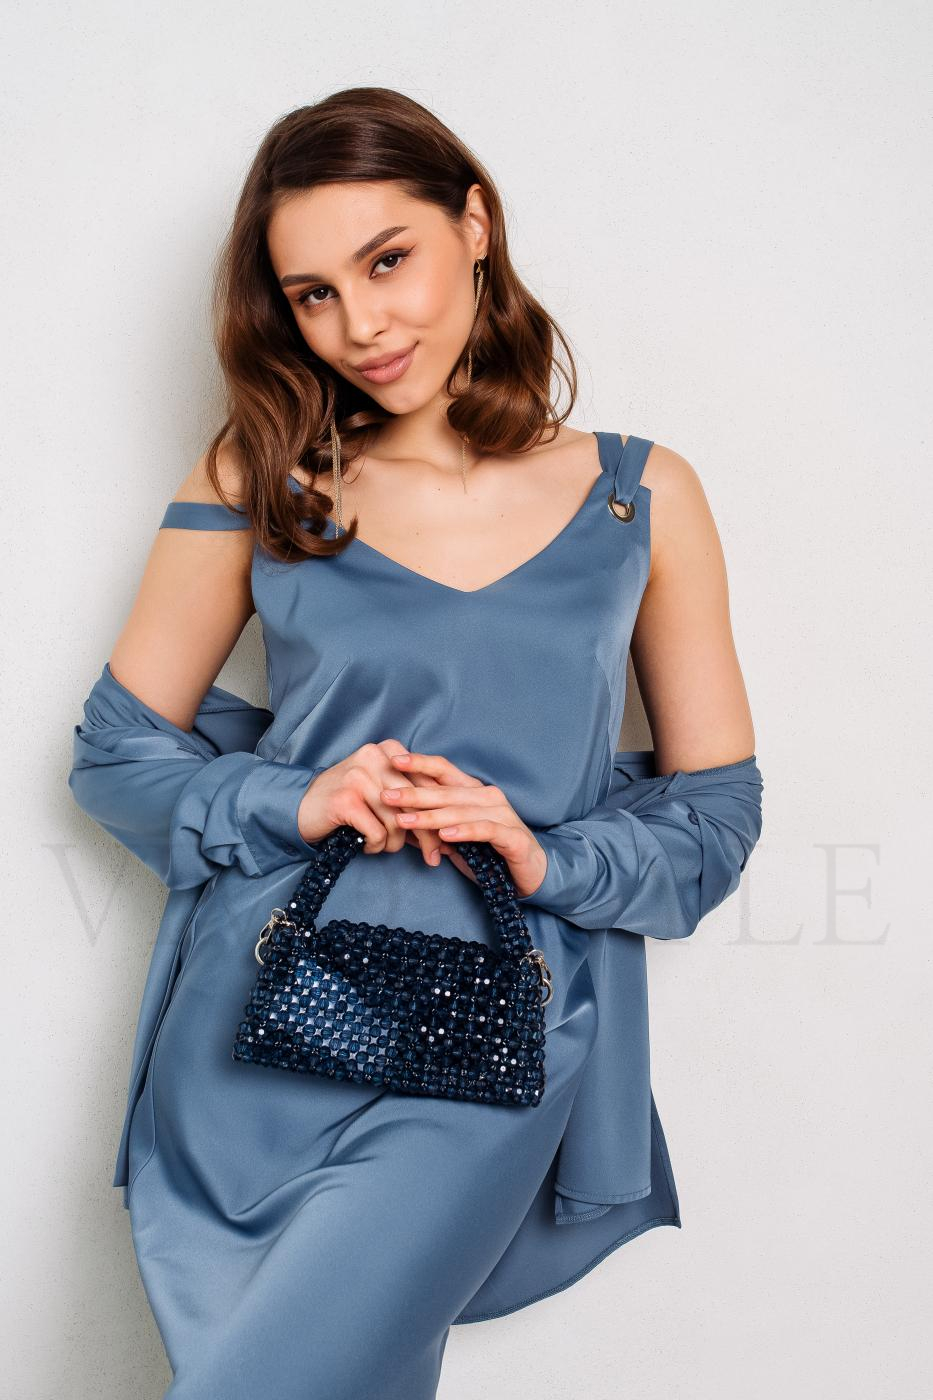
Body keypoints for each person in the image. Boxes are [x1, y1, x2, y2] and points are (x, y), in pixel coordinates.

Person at [68, 87, 763, 1400]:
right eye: (313, 294)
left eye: (388, 260)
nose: (362, 324)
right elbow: (115, 755)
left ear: (475, 224)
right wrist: (295, 799)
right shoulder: (259, 481)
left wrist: (542, 856)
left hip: (490, 1028)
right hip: (252, 1024)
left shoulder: (638, 494)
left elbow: (716, 814)